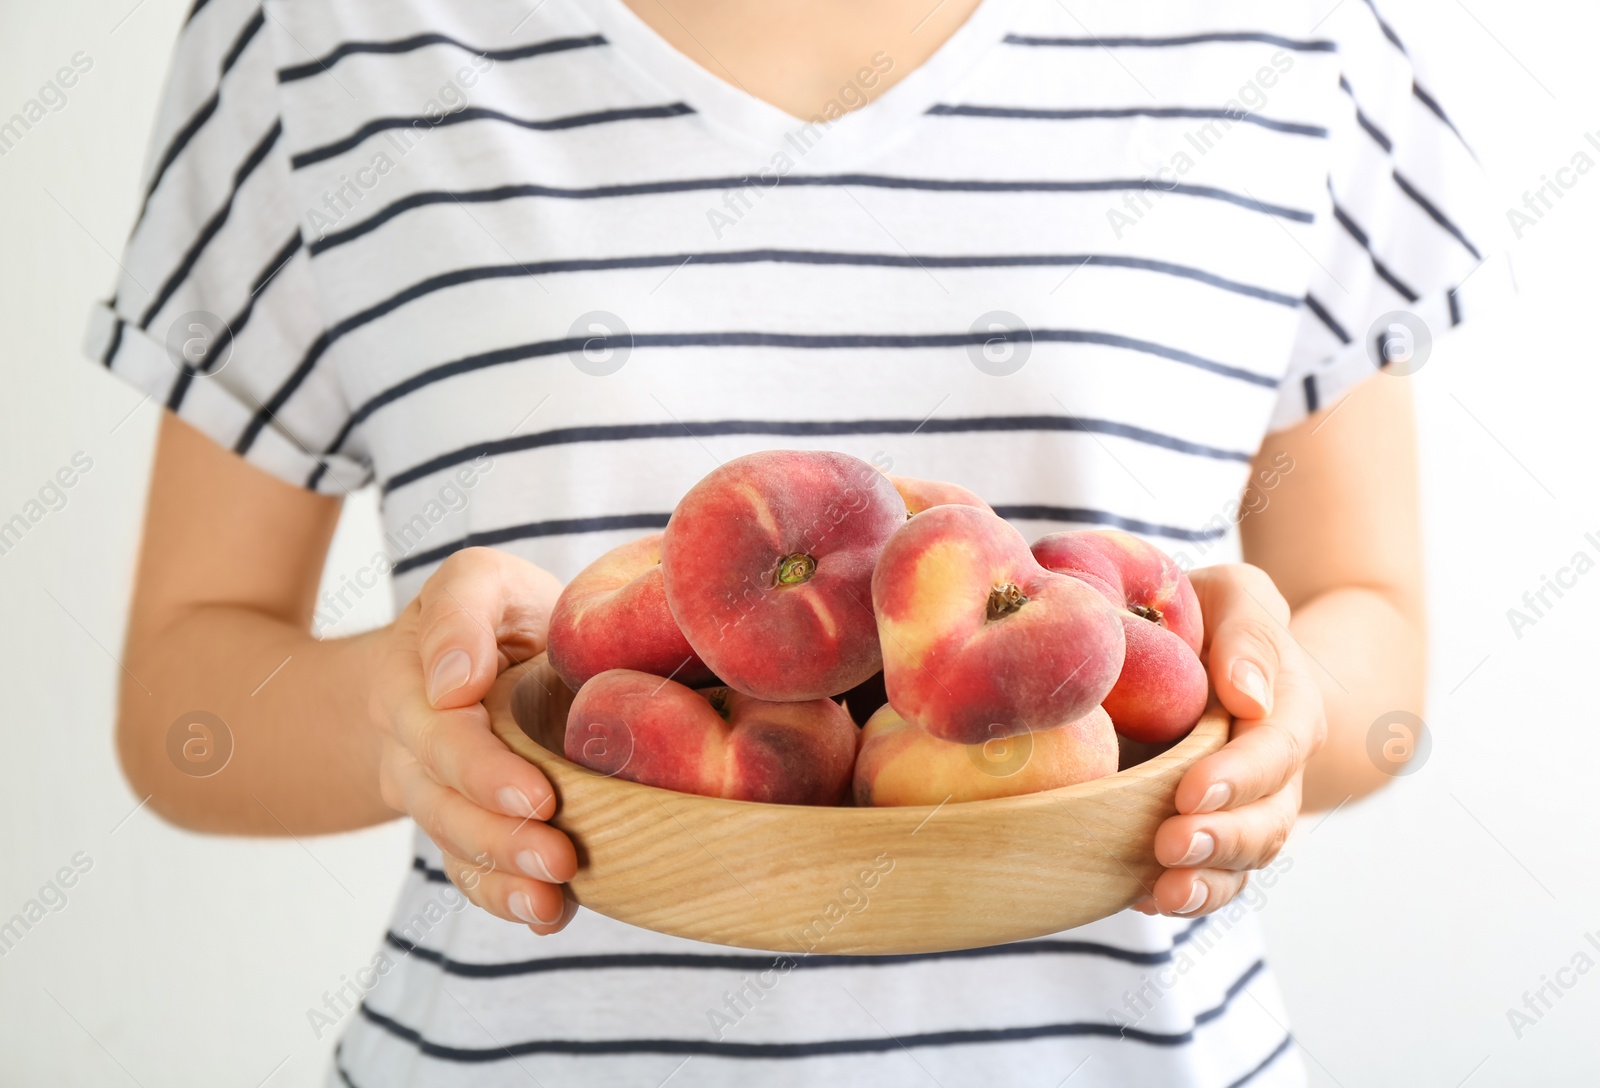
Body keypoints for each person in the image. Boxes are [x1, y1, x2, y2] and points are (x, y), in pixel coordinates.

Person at [89, 0, 1506, 1083]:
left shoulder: (1294, 35)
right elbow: (182, 706)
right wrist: (402, 715)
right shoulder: (322, 39)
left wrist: (1274, 707)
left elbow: (1366, 639)